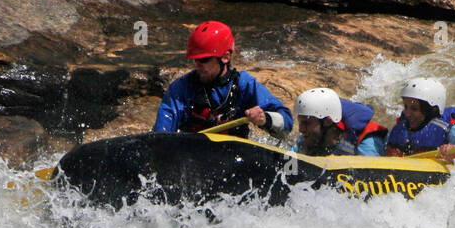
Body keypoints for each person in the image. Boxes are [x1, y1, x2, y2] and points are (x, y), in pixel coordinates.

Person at [154, 21, 293, 137]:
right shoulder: (181, 88)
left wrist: (265, 119)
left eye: (204, 59)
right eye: (195, 60)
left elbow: (287, 121)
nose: (197, 65)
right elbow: (161, 134)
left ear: (225, 57)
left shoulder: (244, 85)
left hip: (232, 158)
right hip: (193, 157)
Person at [385, 78, 455, 159]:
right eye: (406, 106)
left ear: (431, 111)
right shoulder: (400, 128)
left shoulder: (451, 130)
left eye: (414, 109)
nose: (407, 113)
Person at [293, 88, 387, 156]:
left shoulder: (367, 142)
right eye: (300, 122)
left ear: (327, 121)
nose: (301, 129)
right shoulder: (310, 138)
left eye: (306, 123)